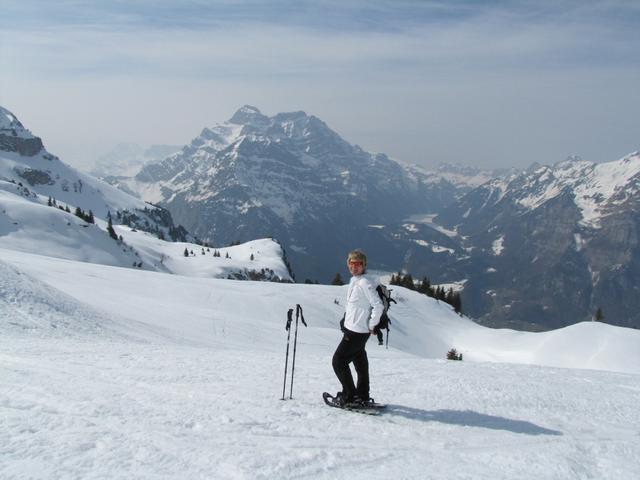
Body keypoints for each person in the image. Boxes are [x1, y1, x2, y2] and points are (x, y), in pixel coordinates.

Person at [331, 249, 383, 407]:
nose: (355, 266)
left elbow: (378, 305)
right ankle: (362, 395)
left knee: (338, 361)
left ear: (364, 265)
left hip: (357, 331)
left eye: (358, 264)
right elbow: (356, 306)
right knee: (360, 361)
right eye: (352, 263)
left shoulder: (364, 283)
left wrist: (372, 324)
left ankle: (350, 395)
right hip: (355, 329)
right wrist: (346, 320)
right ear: (348, 264)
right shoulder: (356, 280)